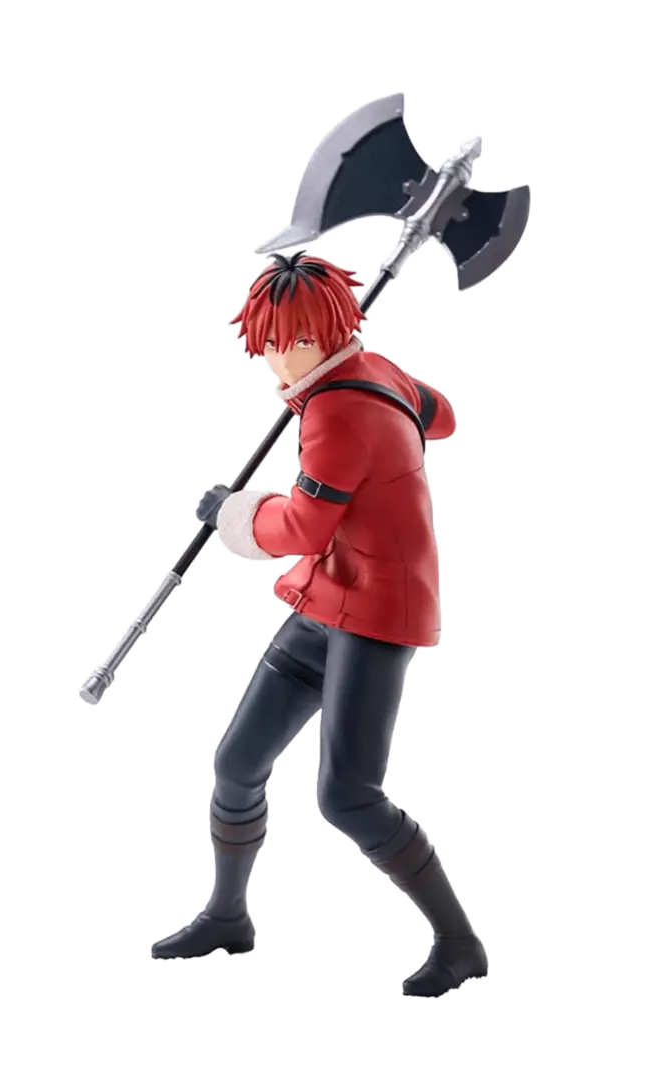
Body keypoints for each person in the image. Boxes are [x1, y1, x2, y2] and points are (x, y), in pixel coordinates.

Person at [151, 251, 487, 997]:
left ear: (325, 332)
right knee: (237, 763)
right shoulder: (364, 374)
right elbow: (440, 415)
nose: (278, 360)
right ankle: (228, 916)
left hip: (377, 614)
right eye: (270, 343)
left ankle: (460, 944)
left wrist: (233, 513)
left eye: (294, 342)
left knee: (347, 793)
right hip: (326, 596)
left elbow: (301, 526)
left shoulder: (339, 409)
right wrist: (366, 383)